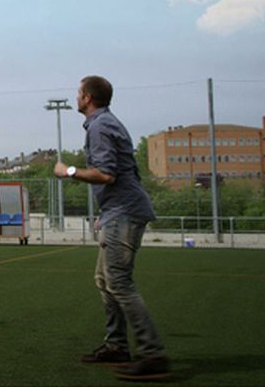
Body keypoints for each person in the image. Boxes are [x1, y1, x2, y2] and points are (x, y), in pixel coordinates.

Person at [54, 76, 170, 381]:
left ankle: (152, 353)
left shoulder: (100, 126)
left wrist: (68, 171)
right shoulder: (106, 123)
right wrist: (106, 212)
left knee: (119, 282)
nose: (76, 98)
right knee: (105, 280)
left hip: (124, 212)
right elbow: (125, 171)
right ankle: (116, 345)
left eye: (78, 93)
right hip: (118, 211)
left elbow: (106, 174)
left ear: (88, 98)